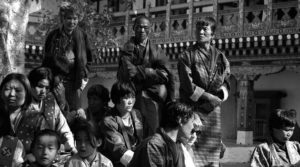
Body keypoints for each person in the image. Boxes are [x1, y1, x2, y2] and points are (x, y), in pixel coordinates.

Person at [177, 16, 230, 166]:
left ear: (212, 34)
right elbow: (188, 86)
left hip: (213, 110)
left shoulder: (221, 57)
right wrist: (208, 97)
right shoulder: (186, 55)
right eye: (198, 28)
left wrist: (217, 98)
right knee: (191, 148)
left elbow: (227, 81)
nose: (200, 31)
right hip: (193, 108)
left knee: (213, 152)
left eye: (205, 29)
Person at [117, 15, 175, 137]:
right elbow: (128, 72)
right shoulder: (127, 49)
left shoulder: (156, 50)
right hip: (131, 97)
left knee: (153, 132)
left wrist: (147, 72)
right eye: (139, 27)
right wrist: (151, 73)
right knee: (133, 134)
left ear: (151, 29)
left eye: (145, 27)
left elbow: (166, 75)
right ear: (133, 28)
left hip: (153, 97)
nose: (142, 30)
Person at [42, 2, 93, 116]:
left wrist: (85, 74)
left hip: (75, 82)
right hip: (58, 82)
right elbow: (47, 61)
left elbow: (89, 57)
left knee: (75, 114)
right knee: (57, 113)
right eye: (68, 18)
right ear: (63, 19)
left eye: (75, 18)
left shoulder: (82, 35)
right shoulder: (53, 36)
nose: (72, 22)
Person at [128, 102, 195, 167]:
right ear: (180, 120)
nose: (193, 127)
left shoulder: (179, 145)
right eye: (192, 122)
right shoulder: (154, 145)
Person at [27, 67, 76, 153]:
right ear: (31, 84)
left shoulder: (50, 101)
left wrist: (70, 146)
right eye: (40, 86)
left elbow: (63, 127)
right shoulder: (23, 104)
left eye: (47, 88)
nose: (43, 91)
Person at [101, 82, 143, 167]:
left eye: (133, 97)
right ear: (117, 99)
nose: (130, 101)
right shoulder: (108, 121)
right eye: (126, 98)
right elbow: (119, 149)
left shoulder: (136, 114)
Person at [0, 73, 33, 153]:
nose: (12, 94)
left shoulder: (36, 119)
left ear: (27, 93)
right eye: (7, 89)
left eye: (18, 90)